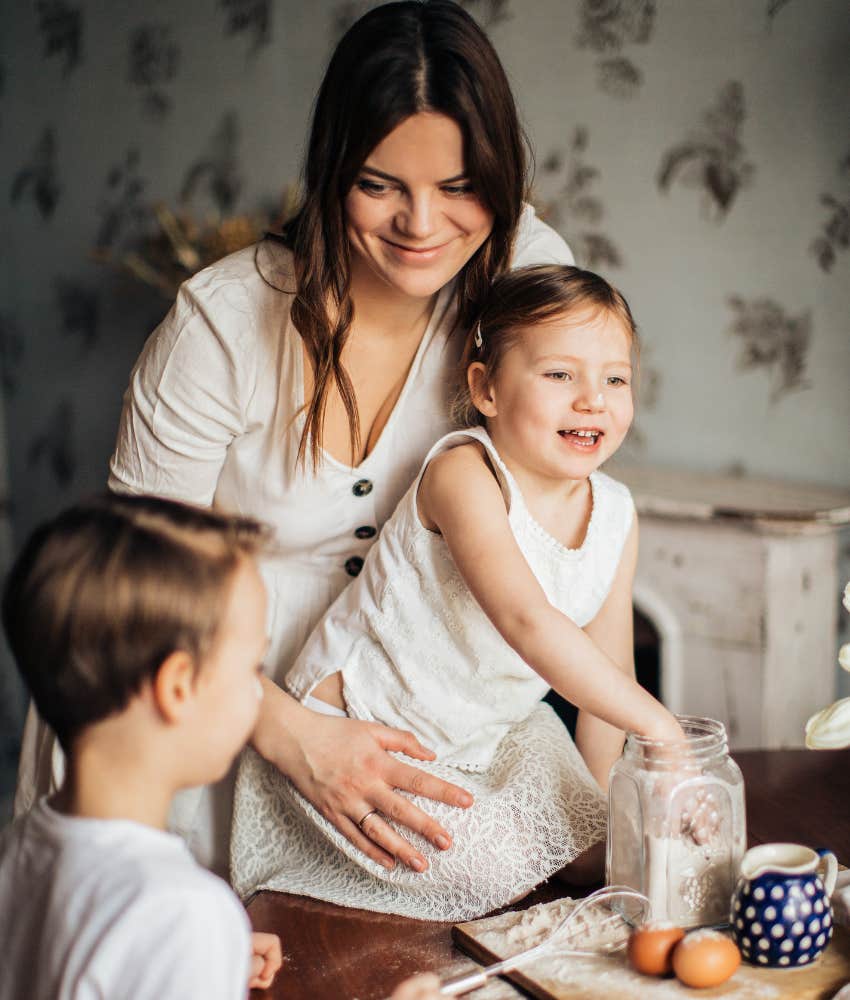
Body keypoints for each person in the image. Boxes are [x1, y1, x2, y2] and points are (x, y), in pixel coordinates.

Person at [16, 0, 577, 880]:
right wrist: (297, 736)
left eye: (459, 186)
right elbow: (132, 601)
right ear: (330, 168)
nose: (421, 226)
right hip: (182, 718)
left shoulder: (521, 273)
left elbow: (574, 479)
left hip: (387, 726)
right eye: (379, 183)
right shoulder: (223, 325)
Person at [230, 264, 689, 921]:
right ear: (488, 389)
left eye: (615, 378)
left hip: (487, 735)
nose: (593, 399)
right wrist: (661, 727)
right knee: (498, 866)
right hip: (359, 732)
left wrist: (600, 819)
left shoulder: (617, 512)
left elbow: (608, 681)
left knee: (604, 850)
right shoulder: (464, 473)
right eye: (560, 375)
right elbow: (527, 621)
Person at [0, 493, 445, 1000]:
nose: (258, 692)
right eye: (250, 669)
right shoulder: (182, 914)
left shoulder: (21, 847)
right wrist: (192, 949)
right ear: (178, 689)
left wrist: (199, 963)